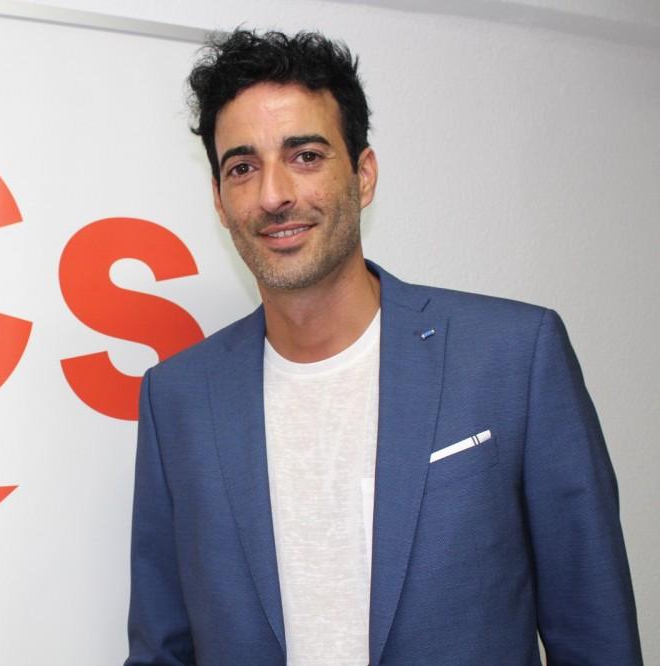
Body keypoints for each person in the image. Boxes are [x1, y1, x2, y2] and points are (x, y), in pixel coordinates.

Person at [125, 29, 641, 665]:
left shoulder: (513, 357)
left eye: (305, 155)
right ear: (219, 200)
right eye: (243, 167)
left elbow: (596, 637)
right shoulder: (177, 399)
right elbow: (161, 650)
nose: (273, 194)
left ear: (363, 175)